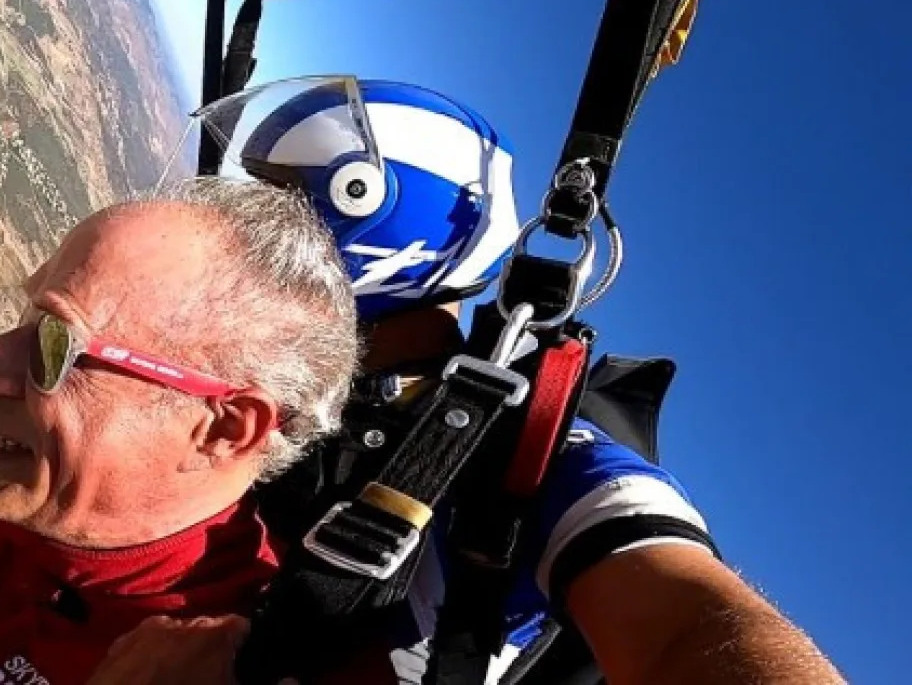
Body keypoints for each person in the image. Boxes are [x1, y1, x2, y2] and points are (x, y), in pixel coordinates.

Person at [87, 77, 844, 684]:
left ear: (384, 241)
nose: (237, 236)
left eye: (275, 207)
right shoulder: (283, 381)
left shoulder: (540, 461)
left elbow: (689, 628)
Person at [0, 176, 360, 684]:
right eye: (28, 317)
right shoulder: (46, 514)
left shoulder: (204, 665)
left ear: (223, 430)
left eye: (56, 343)